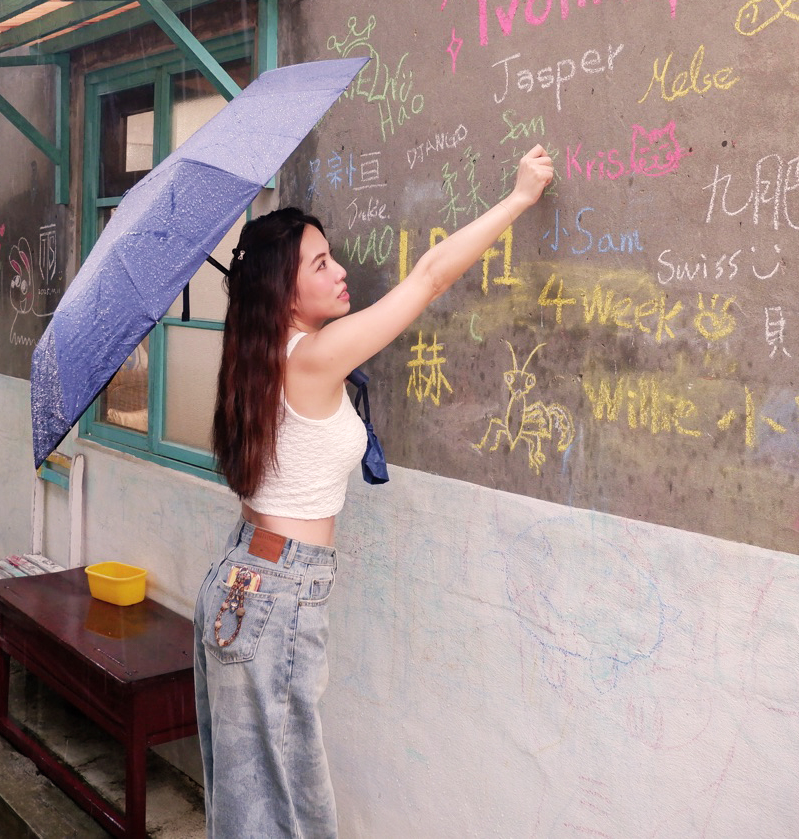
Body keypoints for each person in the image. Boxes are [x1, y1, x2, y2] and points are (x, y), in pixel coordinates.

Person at [192, 143, 554, 838]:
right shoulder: (315, 357)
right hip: (278, 589)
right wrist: (519, 199)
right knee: (288, 803)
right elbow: (428, 278)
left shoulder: (256, 357)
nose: (340, 271)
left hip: (242, 575)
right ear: (283, 290)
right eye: (319, 264)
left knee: (249, 804)